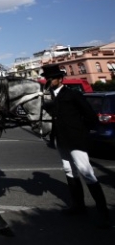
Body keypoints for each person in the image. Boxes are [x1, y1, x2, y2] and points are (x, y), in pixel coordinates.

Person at [41, 64, 111, 229]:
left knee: (86, 172)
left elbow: (90, 116)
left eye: (51, 79)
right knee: (69, 170)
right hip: (60, 139)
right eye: (47, 78)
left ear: (60, 79)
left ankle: (104, 213)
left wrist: (80, 131)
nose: (48, 81)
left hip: (75, 139)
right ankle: (78, 205)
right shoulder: (49, 97)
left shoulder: (72, 95)